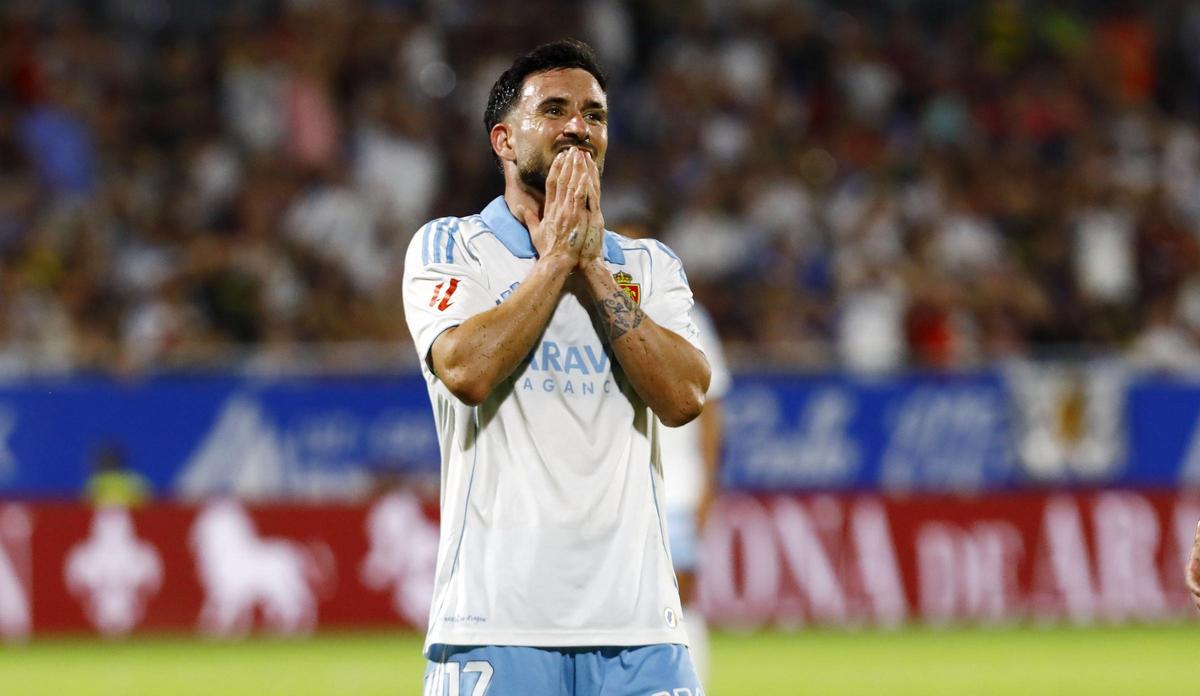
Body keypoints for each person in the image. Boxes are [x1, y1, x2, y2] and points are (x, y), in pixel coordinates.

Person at [401, 40, 712, 695]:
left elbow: (685, 397)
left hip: (641, 633)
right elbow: (465, 370)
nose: (579, 127)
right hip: (495, 622)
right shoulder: (452, 247)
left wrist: (591, 263)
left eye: (595, 115)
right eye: (555, 110)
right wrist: (553, 265)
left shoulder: (648, 266)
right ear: (505, 140)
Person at [616, 220, 730, 686]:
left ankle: (689, 683)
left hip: (676, 483)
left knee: (680, 593)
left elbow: (712, 404)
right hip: (617, 482)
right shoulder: (589, 310)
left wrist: (707, 482)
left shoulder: (684, 313)